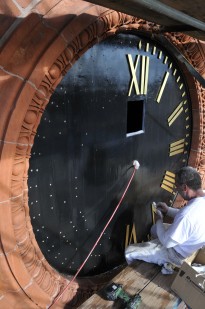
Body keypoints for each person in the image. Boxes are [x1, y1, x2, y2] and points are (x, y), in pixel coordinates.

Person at [125, 166, 205, 274]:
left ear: (185, 187)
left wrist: (159, 220)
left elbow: (167, 243)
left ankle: (138, 272)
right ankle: (153, 251)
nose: (177, 190)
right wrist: (168, 210)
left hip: (176, 254)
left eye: (177, 187)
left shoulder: (187, 215)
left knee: (129, 251)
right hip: (189, 242)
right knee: (154, 229)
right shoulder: (201, 199)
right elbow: (189, 219)